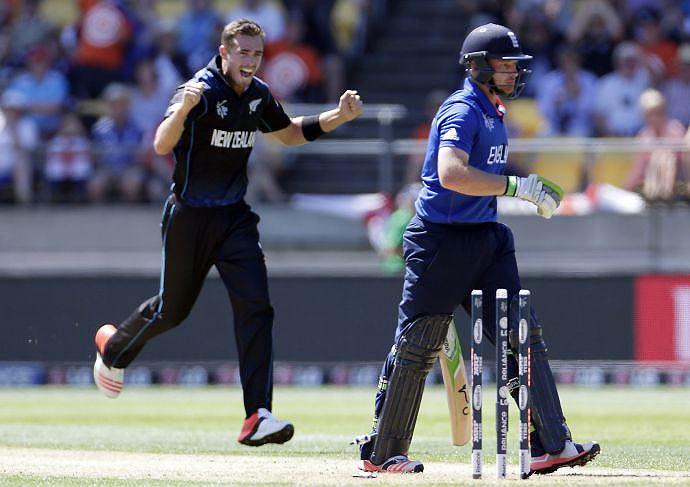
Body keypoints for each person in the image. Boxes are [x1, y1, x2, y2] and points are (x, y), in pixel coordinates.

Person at [92, 18, 363, 447]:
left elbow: (289, 134)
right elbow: (162, 145)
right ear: (224, 53)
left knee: (257, 307)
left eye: (256, 54)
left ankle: (257, 414)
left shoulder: (257, 95)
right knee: (173, 311)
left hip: (234, 218)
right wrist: (182, 109)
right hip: (190, 215)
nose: (250, 62)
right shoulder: (196, 89)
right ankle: (114, 347)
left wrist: (337, 117)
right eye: (243, 53)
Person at [354, 23, 599, 475]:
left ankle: (551, 443)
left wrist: (521, 188)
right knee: (419, 343)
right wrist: (516, 185)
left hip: (486, 237)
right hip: (441, 240)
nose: (514, 72)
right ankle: (383, 452)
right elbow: (450, 174)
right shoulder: (462, 109)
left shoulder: (494, 109)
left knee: (520, 334)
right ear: (479, 66)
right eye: (506, 64)